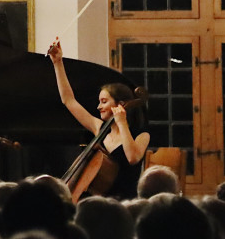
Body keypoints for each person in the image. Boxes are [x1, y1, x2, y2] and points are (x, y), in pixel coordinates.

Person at [48, 41, 150, 200]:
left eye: (104, 101)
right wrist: (58, 63)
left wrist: (122, 122)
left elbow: (132, 158)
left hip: (127, 203)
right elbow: (69, 100)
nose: (98, 107)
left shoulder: (141, 134)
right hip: (99, 200)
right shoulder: (100, 128)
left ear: (120, 104)